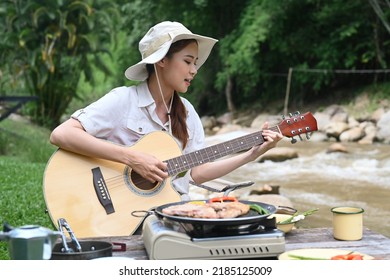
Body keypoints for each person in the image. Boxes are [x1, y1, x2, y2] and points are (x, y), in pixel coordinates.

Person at [50, 21, 283, 201]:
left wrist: (252, 154)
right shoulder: (123, 100)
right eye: (188, 61)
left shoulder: (188, 113)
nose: (194, 70)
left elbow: (197, 172)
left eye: (196, 63)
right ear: (161, 61)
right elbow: (61, 134)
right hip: (124, 207)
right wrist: (132, 158)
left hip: (170, 210)